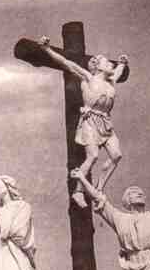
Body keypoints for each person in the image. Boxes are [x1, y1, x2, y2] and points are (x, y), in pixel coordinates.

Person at [39, 36, 128, 207]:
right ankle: (78, 191)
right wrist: (47, 49)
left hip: (106, 123)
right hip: (90, 121)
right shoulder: (88, 78)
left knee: (116, 155)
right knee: (93, 156)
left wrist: (123, 63)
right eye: (108, 63)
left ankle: (99, 189)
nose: (112, 65)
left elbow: (118, 70)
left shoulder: (111, 82)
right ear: (98, 66)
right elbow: (67, 63)